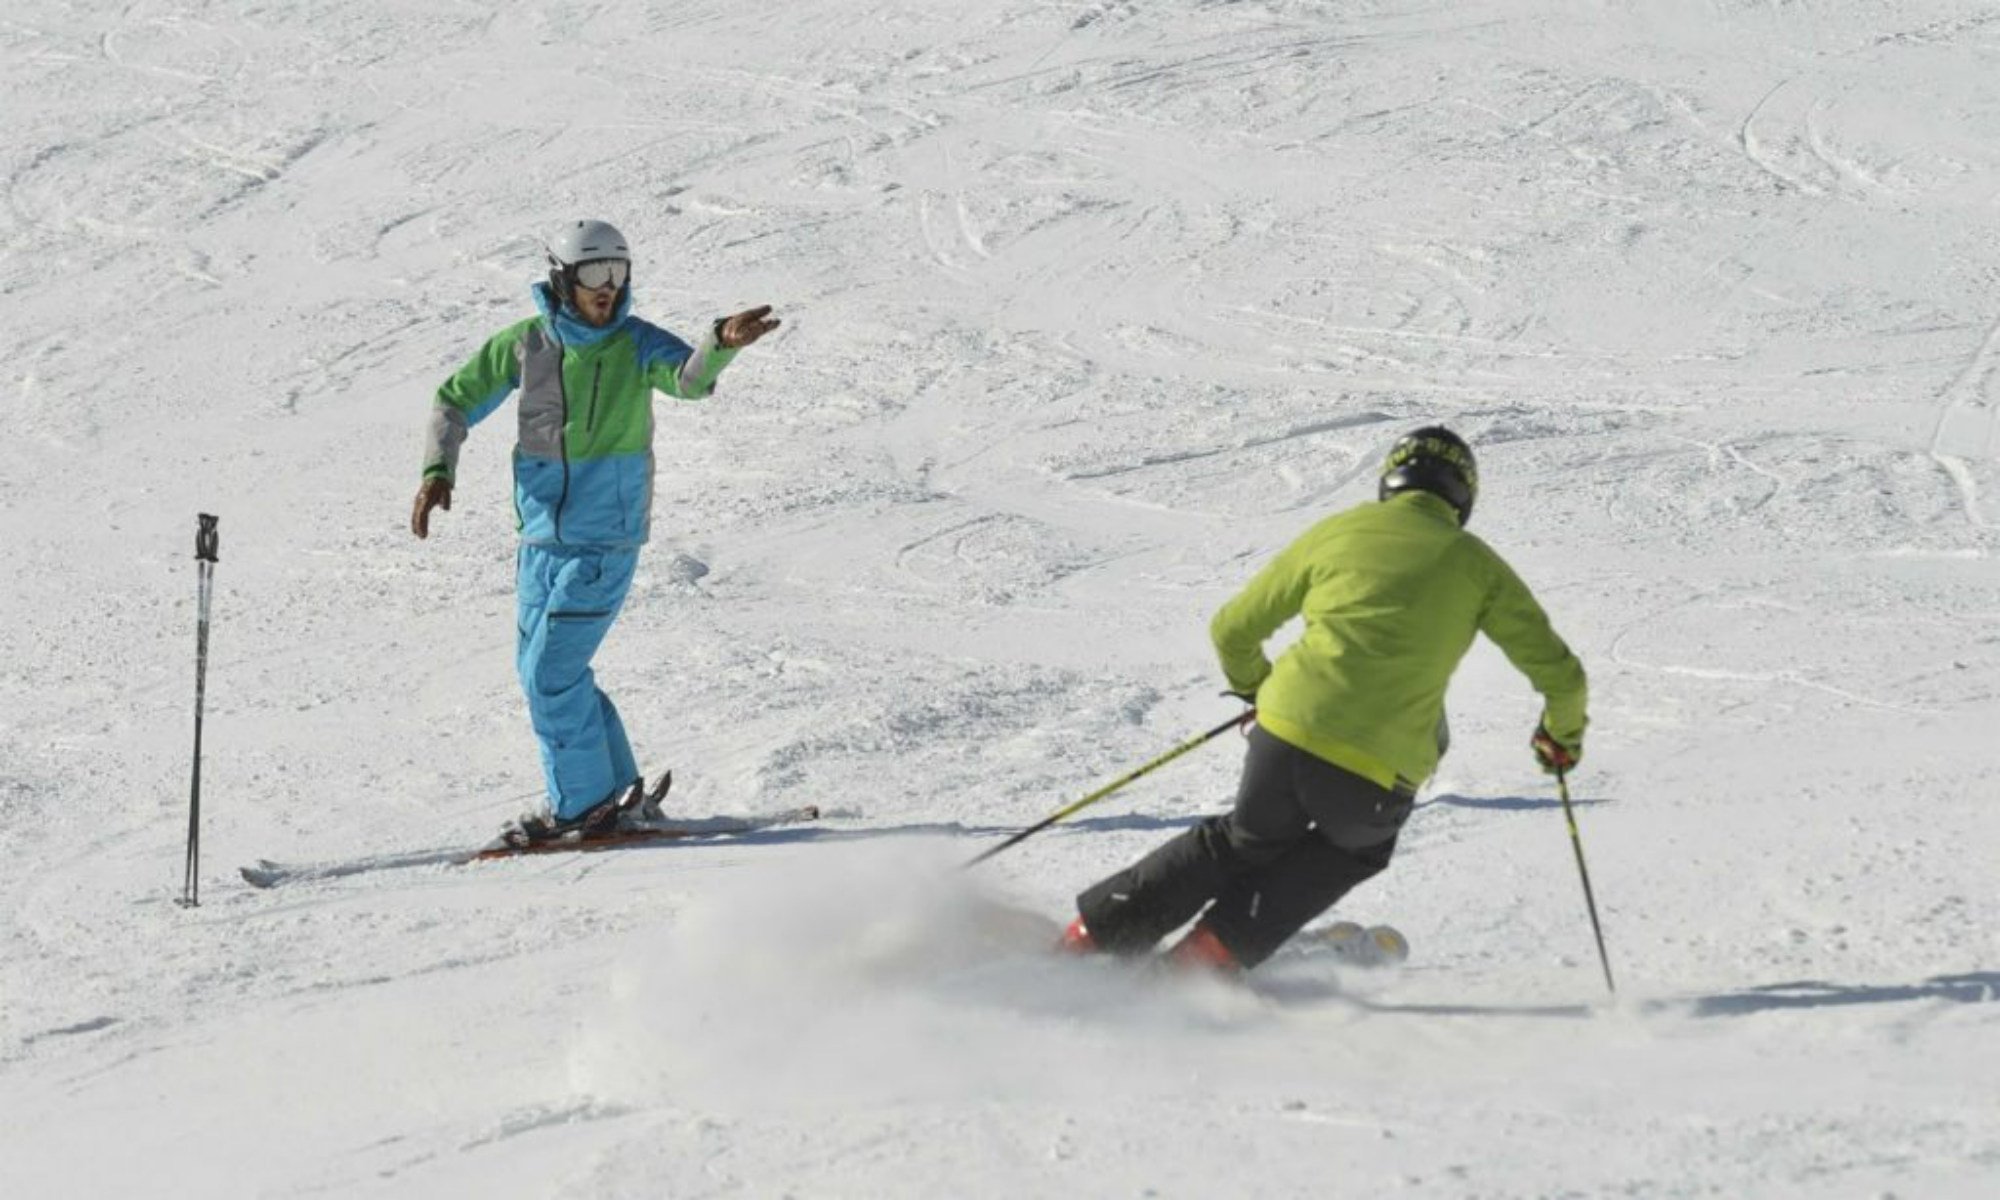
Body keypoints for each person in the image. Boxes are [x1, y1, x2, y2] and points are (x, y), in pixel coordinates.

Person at [1062, 427, 1588, 972]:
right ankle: (1207, 957)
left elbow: (1231, 630)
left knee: (1241, 841)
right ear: (1463, 496)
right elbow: (1564, 680)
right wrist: (1559, 738)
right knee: (1349, 850)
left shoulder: (1337, 532)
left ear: (1392, 481)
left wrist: (1258, 689)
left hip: (1286, 734)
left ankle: (1088, 936)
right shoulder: (1479, 566)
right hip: (1379, 769)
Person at [410, 219, 780, 842]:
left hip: (604, 541)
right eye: (593, 274)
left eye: (618, 273)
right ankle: (615, 792)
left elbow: (688, 379)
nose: (608, 288)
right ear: (563, 277)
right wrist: (437, 468)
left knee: (550, 675)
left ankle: (582, 808)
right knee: (546, 674)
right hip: (539, 542)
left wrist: (720, 342)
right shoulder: (526, 345)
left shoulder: (636, 345)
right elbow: (455, 397)